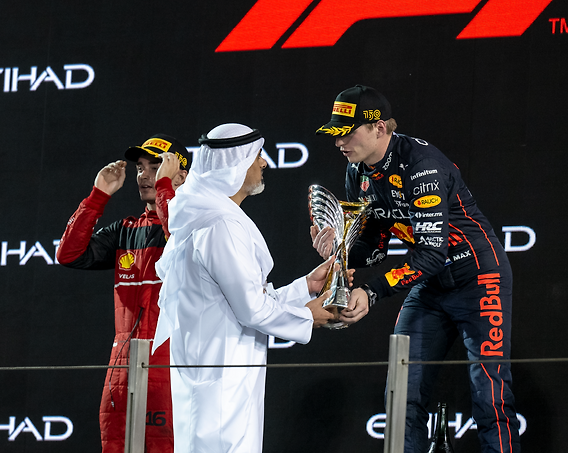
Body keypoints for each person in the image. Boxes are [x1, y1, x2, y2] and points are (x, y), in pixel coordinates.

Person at [312, 85, 521, 453]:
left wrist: (372, 291)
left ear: (379, 128)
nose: (339, 142)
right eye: (335, 133)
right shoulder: (357, 172)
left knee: (490, 395)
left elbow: (430, 254)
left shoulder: (421, 165)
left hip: (478, 277)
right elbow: (375, 250)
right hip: (431, 283)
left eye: (347, 132)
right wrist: (339, 251)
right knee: (401, 396)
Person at [152, 123, 336, 453]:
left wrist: (304, 287)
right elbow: (250, 309)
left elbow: (240, 300)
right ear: (234, 166)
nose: (264, 164)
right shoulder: (219, 224)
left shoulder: (207, 216)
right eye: (257, 156)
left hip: (225, 378)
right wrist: (307, 317)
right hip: (220, 383)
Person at [56, 134, 190, 453]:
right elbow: (69, 254)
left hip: (174, 368)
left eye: (156, 166)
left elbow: (180, 234)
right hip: (122, 370)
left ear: (180, 175)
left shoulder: (197, 226)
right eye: (141, 167)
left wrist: (165, 190)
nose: (143, 175)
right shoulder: (126, 230)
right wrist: (99, 196)